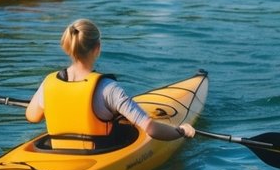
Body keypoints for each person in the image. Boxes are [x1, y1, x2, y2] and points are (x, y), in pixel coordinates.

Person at [25, 19, 195, 150]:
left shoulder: (49, 82)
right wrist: (181, 131)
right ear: (97, 48)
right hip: (97, 154)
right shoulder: (107, 88)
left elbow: (32, 116)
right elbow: (150, 129)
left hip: (58, 152)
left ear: (68, 47)